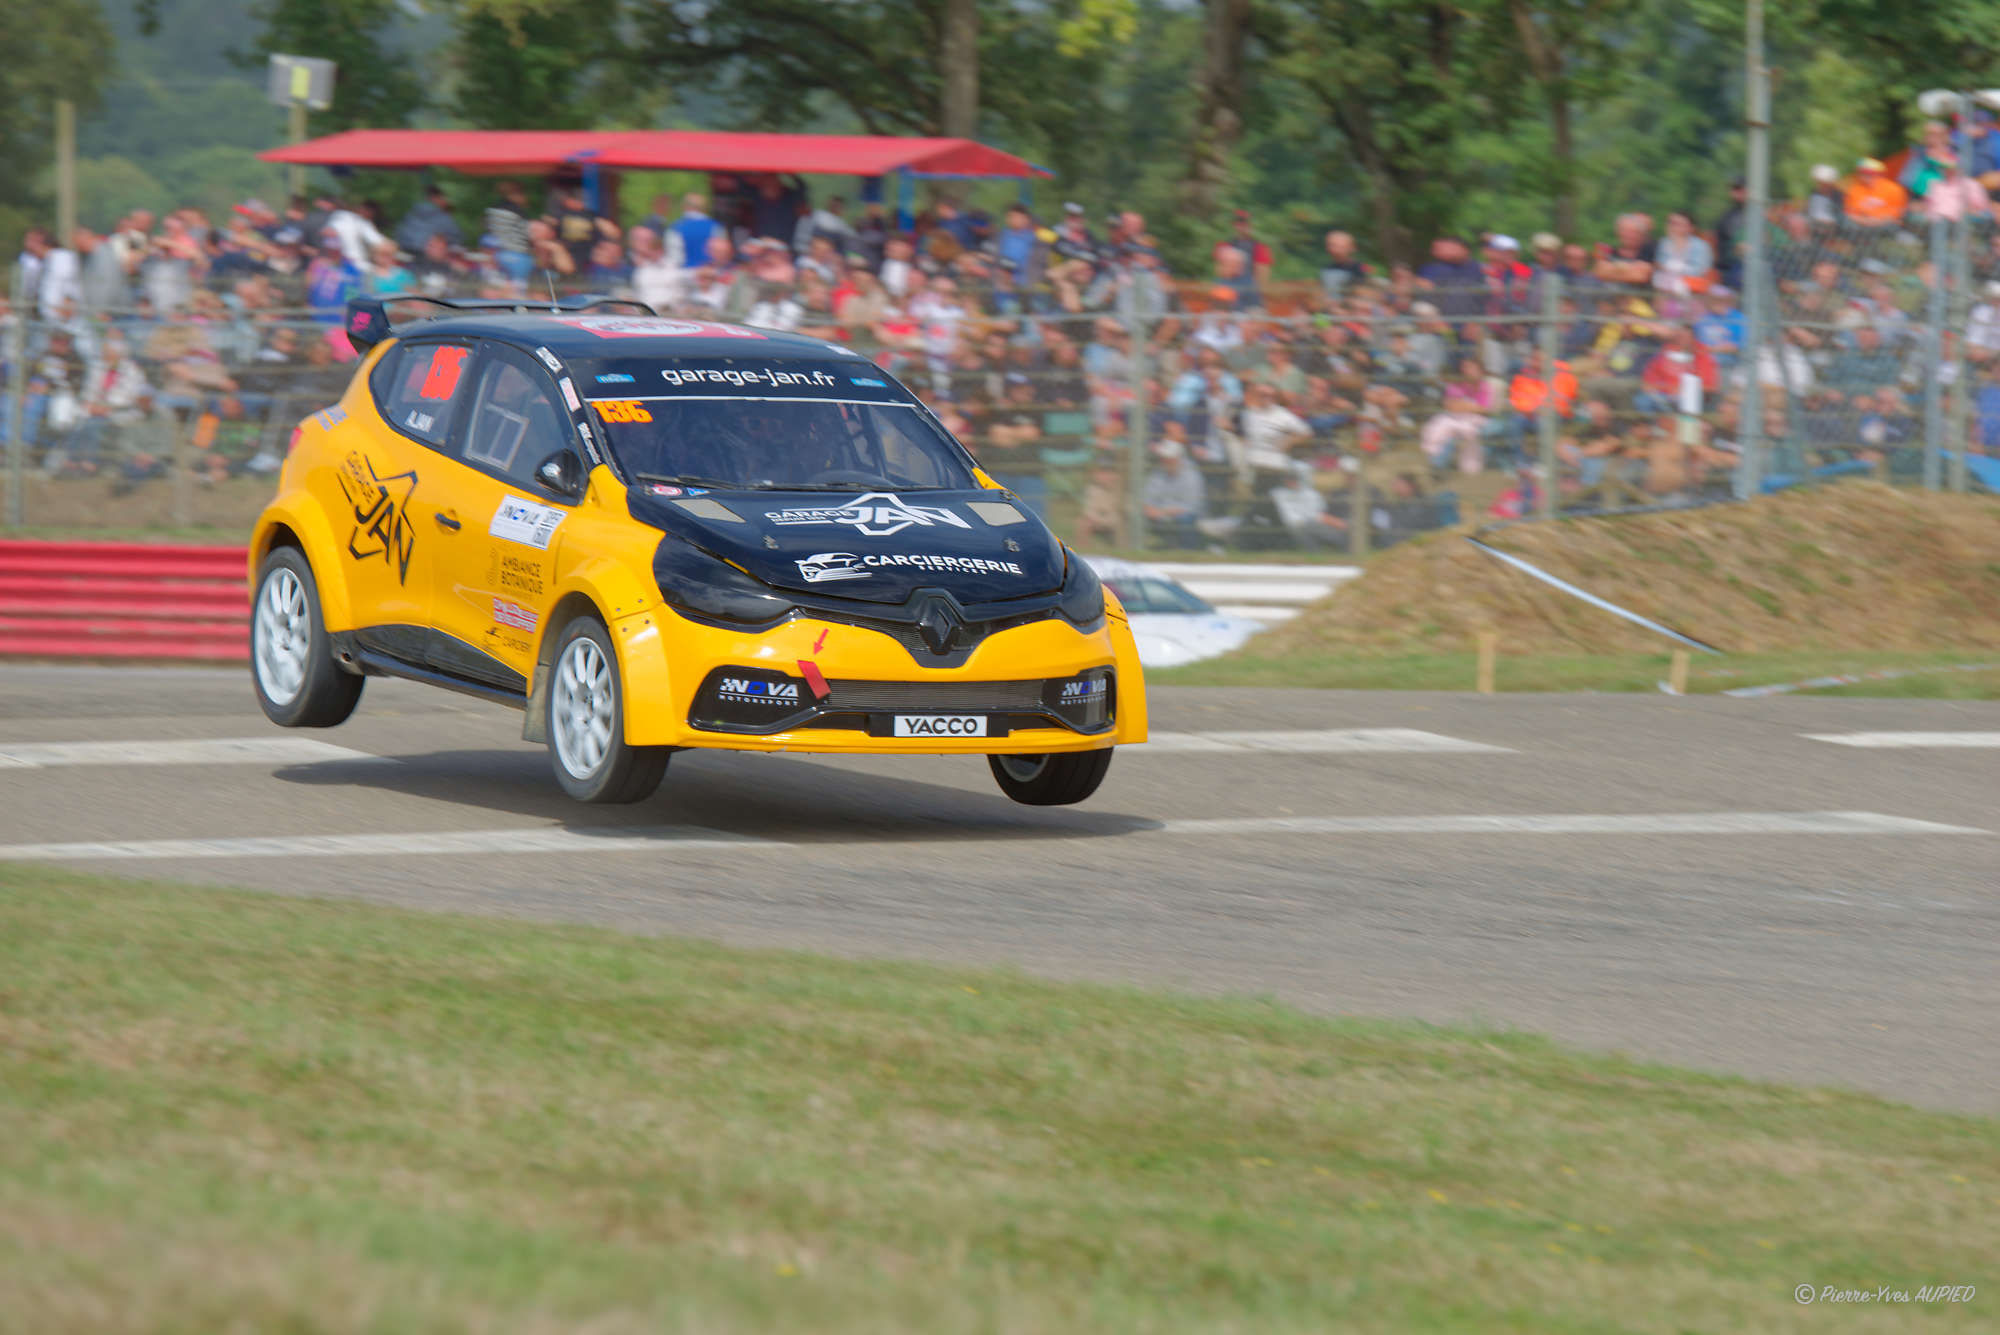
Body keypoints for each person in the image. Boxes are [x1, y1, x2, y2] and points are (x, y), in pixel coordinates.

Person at [1141, 438, 1205, 547]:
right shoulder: (1158, 473)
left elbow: (1191, 506)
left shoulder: (1191, 475)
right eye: (1164, 458)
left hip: (1185, 516)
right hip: (1160, 515)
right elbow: (1147, 497)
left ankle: (1187, 553)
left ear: (1178, 458)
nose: (1165, 461)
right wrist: (1149, 509)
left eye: (1169, 458)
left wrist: (1162, 512)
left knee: (1186, 520)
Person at [1842, 158, 1908, 230]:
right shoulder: (1855, 189)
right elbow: (1850, 212)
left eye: (1870, 173)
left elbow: (1899, 211)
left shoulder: (1894, 189)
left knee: (1891, 225)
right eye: (1862, 172)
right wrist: (1864, 220)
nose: (1865, 175)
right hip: (1861, 222)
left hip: (1885, 223)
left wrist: (1878, 220)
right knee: (1847, 223)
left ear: (1880, 174)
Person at [395, 185, 463, 254]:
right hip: (430, 258)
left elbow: (400, 236)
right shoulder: (443, 218)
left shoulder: (411, 215)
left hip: (406, 255)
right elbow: (457, 240)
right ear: (438, 197)